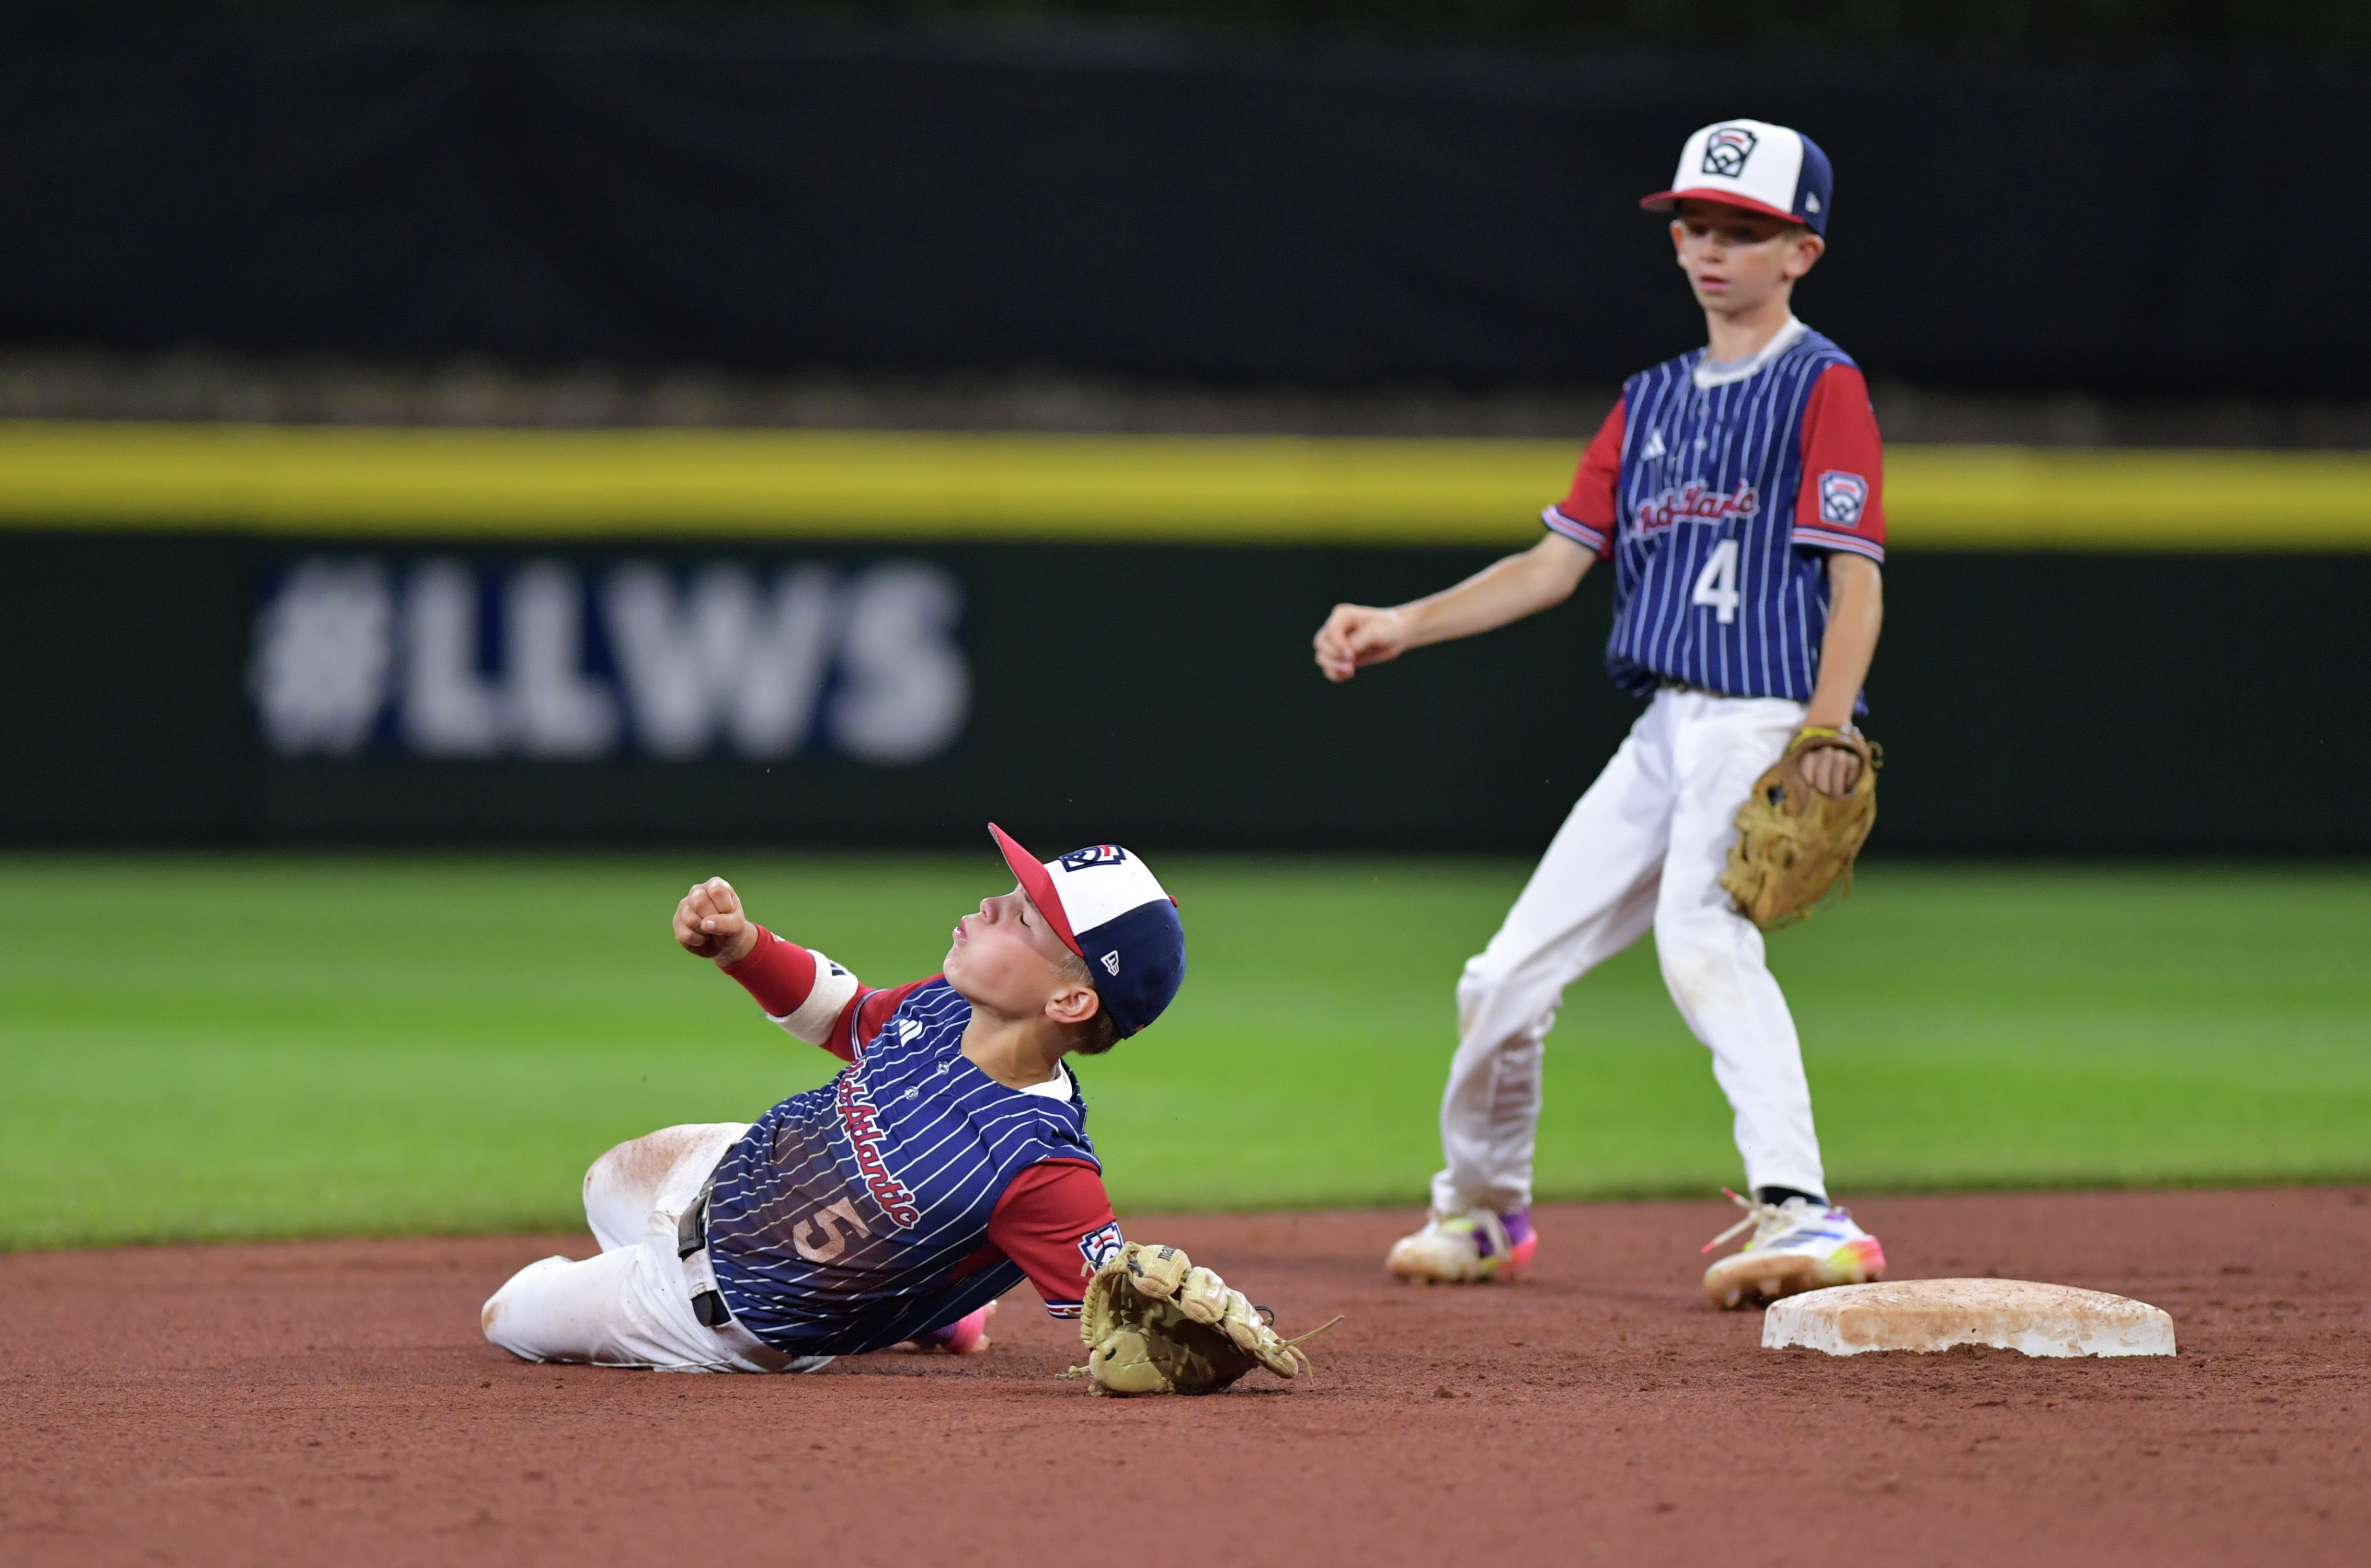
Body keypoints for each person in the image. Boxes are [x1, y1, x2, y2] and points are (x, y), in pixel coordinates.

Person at [1311, 120, 1889, 1309]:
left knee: (1700, 938)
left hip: (1760, 712)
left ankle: (1801, 1207)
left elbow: (1854, 578)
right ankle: (1479, 1211)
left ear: (1802, 253)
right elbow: (1551, 565)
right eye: (1695, 227)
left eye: (1745, 231)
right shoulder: (1649, 401)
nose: (1711, 250)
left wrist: (1825, 729)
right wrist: (1404, 621)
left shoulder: (1820, 384)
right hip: (1663, 728)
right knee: (1503, 975)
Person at [480, 825, 1185, 1370]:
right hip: (734, 1172)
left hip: (717, 1313)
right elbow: (848, 1015)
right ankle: (926, 1307)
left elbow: (1123, 1320)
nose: (990, 904)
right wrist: (743, 947)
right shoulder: (946, 1008)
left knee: (507, 1316)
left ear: (1068, 998)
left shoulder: (1038, 1164)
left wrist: (1186, 1332)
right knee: (605, 1179)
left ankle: (892, 1297)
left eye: (1024, 918)